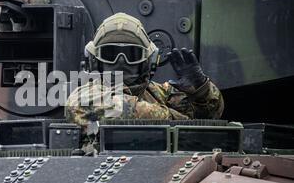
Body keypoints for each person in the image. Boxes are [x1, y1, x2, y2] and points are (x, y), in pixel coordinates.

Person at [65, 13, 224, 153]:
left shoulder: (159, 93)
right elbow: (121, 110)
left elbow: (210, 118)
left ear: (149, 60)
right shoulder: (84, 96)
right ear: (94, 60)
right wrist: (181, 121)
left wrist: (201, 90)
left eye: (132, 54)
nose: (121, 61)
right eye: (110, 53)